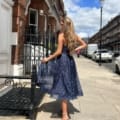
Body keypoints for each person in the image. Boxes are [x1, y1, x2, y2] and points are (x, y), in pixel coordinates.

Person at [41, 16, 87, 120]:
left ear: (65, 25)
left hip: (63, 61)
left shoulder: (61, 35)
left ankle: (65, 115)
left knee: (62, 85)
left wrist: (48, 58)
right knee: (67, 83)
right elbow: (84, 44)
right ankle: (65, 112)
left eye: (61, 23)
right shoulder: (74, 35)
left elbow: (58, 52)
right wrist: (76, 49)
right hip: (70, 61)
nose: (60, 24)